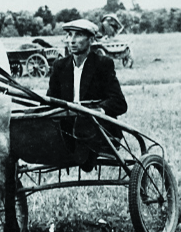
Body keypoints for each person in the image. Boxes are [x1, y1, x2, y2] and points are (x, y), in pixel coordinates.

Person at [47, 18, 127, 168]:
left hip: (99, 131)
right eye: (69, 35)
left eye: (78, 35)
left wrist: (99, 110)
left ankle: (83, 157)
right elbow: (50, 101)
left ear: (91, 39)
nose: (72, 41)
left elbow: (119, 103)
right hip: (68, 131)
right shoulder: (59, 67)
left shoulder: (103, 65)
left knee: (84, 122)